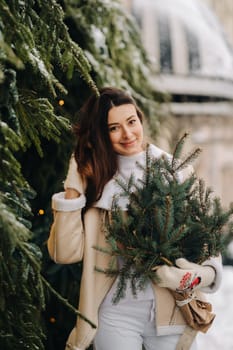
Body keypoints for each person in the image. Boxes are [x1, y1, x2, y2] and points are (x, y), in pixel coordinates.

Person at [47, 87, 222, 350]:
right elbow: (65, 253)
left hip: (171, 311)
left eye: (131, 122)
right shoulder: (96, 183)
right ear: (101, 135)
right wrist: (73, 189)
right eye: (113, 128)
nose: (128, 134)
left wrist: (191, 276)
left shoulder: (174, 172)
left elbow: (207, 242)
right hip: (115, 314)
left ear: (140, 120)